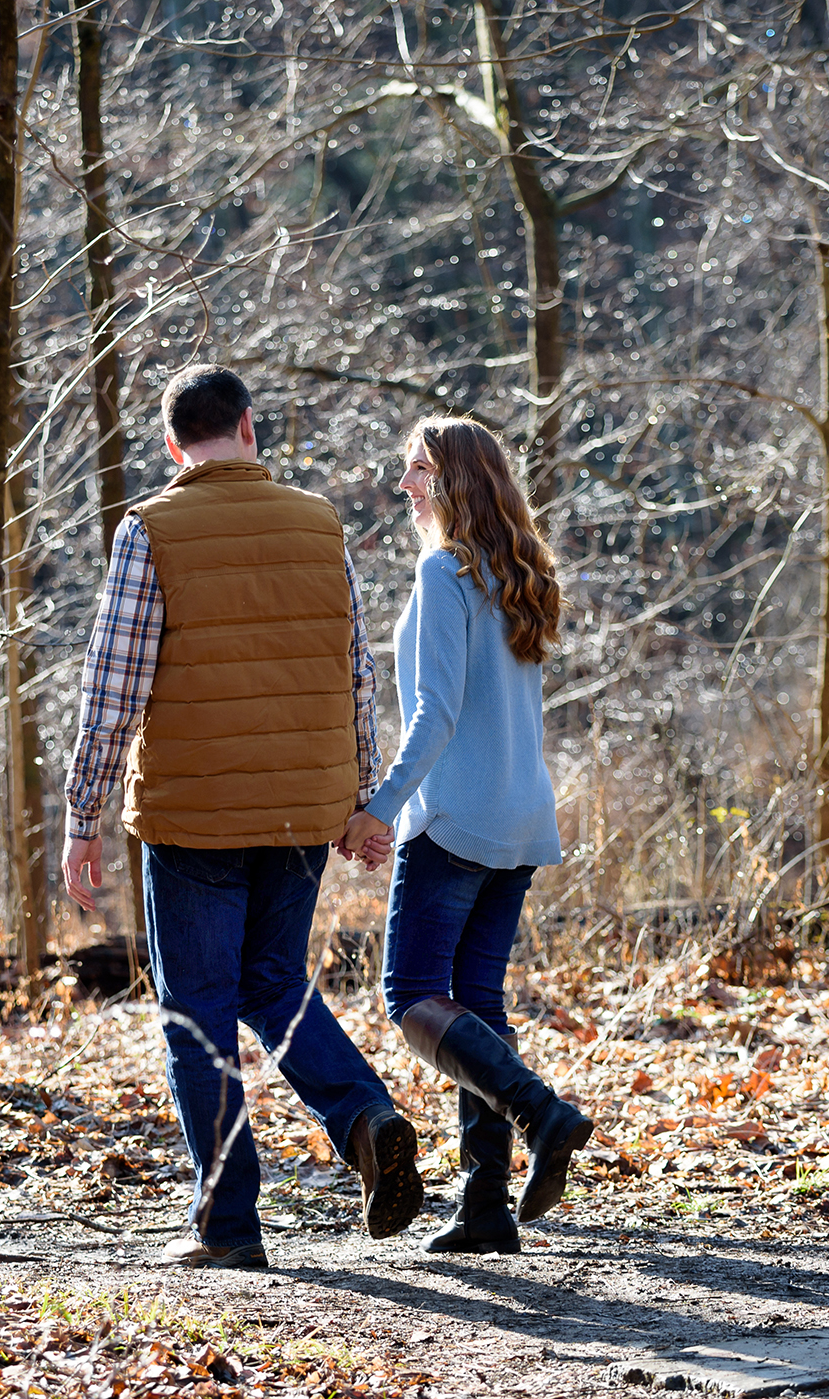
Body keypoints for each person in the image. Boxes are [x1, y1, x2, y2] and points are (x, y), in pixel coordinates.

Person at [61, 364, 425, 1269]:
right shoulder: (318, 523)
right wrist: (357, 797)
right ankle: (363, 1115)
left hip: (192, 815)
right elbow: (356, 670)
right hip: (303, 805)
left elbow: (112, 692)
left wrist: (81, 816)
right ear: (250, 428)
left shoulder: (149, 528)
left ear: (172, 444)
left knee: (197, 1013)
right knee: (268, 978)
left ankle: (227, 1227)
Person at [339, 416, 593, 1255]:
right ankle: (484, 1204)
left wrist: (381, 805)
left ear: (454, 480)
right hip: (521, 817)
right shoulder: (519, 572)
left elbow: (433, 715)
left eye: (417, 470)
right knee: (475, 1005)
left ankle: (540, 1111)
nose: (404, 484)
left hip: (453, 819)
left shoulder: (444, 573)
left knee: (409, 995)